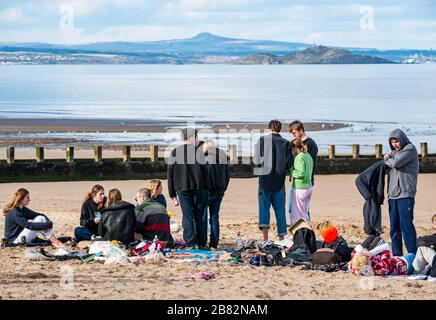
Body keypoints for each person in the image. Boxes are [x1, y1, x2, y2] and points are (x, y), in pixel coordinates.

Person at [167, 127, 209, 250]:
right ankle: (201, 243)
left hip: (182, 188)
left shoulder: (175, 152)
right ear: (193, 138)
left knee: (188, 215)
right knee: (200, 215)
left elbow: (170, 174)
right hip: (199, 187)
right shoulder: (199, 151)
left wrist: (172, 193)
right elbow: (206, 171)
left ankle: (191, 243)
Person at [254, 120, 293, 241]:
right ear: (280, 129)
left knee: (264, 208)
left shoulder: (262, 141)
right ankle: (281, 238)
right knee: (280, 210)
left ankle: (265, 238)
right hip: (279, 181)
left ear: (269, 128)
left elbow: (256, 161)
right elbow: (289, 163)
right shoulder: (286, 143)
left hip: (265, 180)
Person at [384, 129, 419, 256]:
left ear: (402, 139)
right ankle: (397, 256)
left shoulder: (410, 149)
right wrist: (390, 156)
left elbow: (396, 163)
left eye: (396, 141)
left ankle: (412, 255)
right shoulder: (394, 153)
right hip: (392, 195)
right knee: (394, 228)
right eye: (392, 141)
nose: (394, 144)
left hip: (405, 194)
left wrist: (387, 158)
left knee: (406, 226)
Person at [288, 120, 318, 223]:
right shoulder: (301, 144)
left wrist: (292, 172)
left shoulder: (310, 144)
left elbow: (310, 166)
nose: (294, 135)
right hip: (303, 182)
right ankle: (303, 231)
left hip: (304, 182)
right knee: (300, 210)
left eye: (294, 132)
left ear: (300, 130)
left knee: (301, 211)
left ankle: (303, 232)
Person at [203, 140, 231, 250]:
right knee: (214, 216)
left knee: (203, 217)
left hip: (208, 190)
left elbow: (206, 175)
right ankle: (214, 242)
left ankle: (203, 241)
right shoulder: (223, 158)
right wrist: (224, 187)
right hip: (219, 190)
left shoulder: (206, 158)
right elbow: (228, 175)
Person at [350, 237, 415, 276]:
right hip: (406, 264)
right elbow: (386, 246)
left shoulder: (354, 267)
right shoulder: (380, 267)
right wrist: (370, 253)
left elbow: (357, 248)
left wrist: (362, 251)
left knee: (372, 238)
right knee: (414, 255)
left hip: (398, 260)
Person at [289, 138, 314, 226]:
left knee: (296, 214)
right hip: (309, 187)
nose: (292, 151)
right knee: (305, 212)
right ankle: (306, 233)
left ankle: (298, 234)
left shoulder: (299, 157)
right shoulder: (308, 155)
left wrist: (291, 171)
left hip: (300, 188)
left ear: (295, 148)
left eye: (292, 149)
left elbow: (300, 173)